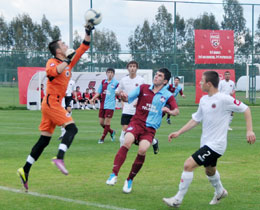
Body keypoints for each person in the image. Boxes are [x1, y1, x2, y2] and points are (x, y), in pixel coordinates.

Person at [17, 23, 95, 191]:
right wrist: (67, 60)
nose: (67, 45)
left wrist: (88, 32)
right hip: (51, 103)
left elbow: (84, 47)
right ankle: (59, 157)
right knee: (72, 129)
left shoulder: (68, 62)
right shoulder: (52, 62)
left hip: (53, 104)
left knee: (44, 140)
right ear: (58, 51)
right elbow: (53, 73)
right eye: (63, 44)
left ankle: (25, 169)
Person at [163, 71, 256, 208]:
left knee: (188, 165)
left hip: (216, 145)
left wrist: (249, 130)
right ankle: (220, 191)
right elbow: (196, 120)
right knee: (209, 170)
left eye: (202, 81)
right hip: (206, 143)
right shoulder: (204, 100)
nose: (199, 83)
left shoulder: (224, 99)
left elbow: (246, 109)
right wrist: (179, 132)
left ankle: (177, 199)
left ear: (209, 84)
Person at [106, 68, 179, 193]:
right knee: (127, 141)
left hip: (150, 129)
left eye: (160, 76)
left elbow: (176, 111)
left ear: (165, 81)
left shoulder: (168, 95)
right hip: (137, 122)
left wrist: (170, 111)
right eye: (156, 74)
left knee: (142, 149)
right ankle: (114, 174)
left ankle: (129, 179)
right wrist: (123, 96)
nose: (156, 76)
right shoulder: (143, 88)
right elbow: (127, 99)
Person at [116, 61, 159, 154]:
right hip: (127, 109)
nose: (132, 68)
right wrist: (121, 94)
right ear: (128, 68)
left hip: (138, 110)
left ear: (137, 68)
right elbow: (117, 91)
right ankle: (121, 151)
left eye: (134, 66)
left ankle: (154, 141)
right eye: (130, 66)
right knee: (125, 129)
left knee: (141, 133)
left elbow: (148, 93)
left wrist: (138, 101)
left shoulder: (141, 80)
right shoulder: (123, 80)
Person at [90, 68, 119, 144]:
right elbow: (99, 92)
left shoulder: (116, 83)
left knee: (107, 123)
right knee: (101, 123)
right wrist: (93, 98)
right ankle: (112, 132)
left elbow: (118, 92)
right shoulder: (103, 82)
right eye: (108, 72)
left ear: (113, 74)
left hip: (110, 105)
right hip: (103, 105)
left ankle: (102, 138)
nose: (110, 74)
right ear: (106, 73)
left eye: (111, 72)